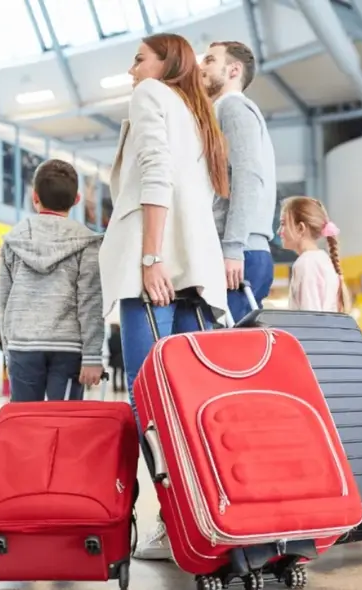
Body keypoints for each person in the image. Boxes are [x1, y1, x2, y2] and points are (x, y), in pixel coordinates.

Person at [99, 32, 230, 561]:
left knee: (148, 401)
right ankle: (209, 517)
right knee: (191, 401)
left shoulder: (152, 96)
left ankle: (174, 524)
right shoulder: (195, 112)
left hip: (159, 268)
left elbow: (155, 175)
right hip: (196, 269)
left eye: (138, 60)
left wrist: (151, 257)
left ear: (166, 63)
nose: (132, 71)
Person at [0, 159, 104, 402]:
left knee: (25, 423)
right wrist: (92, 356)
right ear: (77, 199)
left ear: (34, 197)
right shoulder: (87, 243)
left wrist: (8, 352)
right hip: (68, 349)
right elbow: (90, 303)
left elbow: (4, 301)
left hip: (22, 347)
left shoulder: (13, 241)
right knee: (64, 425)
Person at [200, 41, 277, 322]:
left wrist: (232, 247)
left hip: (240, 253)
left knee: (224, 357)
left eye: (209, 60)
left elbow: (247, 176)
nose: (200, 67)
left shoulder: (232, 107)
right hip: (240, 250)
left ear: (233, 70)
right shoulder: (223, 109)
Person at [277, 196, 351, 313]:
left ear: (301, 228)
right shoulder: (322, 259)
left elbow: (310, 319)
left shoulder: (306, 263)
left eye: (283, 224)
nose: (279, 231)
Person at [107, 324, 125, 392]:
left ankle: (114, 388)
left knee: (114, 373)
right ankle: (123, 387)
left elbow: (110, 348)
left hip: (114, 357)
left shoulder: (111, 338)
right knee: (122, 373)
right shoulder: (122, 337)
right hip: (121, 357)